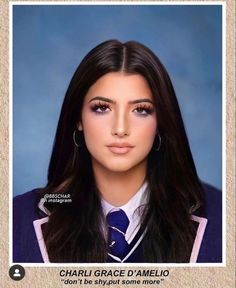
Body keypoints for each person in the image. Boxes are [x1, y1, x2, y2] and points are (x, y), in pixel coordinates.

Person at [13, 39, 222, 263]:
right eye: (102, 108)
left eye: (141, 110)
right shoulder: (19, 218)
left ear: (161, 120)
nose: (120, 129)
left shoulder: (220, 214)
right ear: (78, 119)